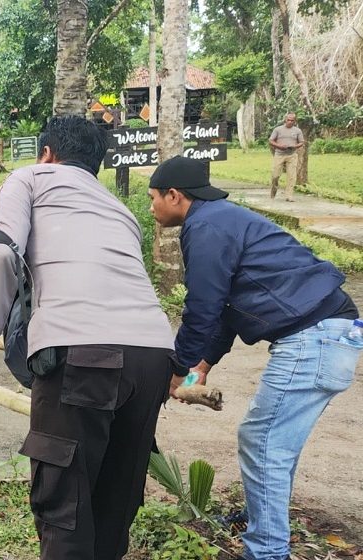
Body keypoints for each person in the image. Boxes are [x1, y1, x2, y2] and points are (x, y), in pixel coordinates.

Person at [0, 115, 175, 560]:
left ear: (47, 153)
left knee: (65, 508)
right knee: (117, 499)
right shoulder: (120, 209)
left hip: (84, 354)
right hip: (154, 356)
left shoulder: (30, 178)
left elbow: (2, 253)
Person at [148, 156, 360, 560]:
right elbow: (226, 311)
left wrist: (176, 370)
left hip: (312, 337)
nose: (152, 207)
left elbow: (203, 308)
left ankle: (265, 551)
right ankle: (262, 521)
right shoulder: (223, 219)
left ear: (174, 195)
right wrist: (199, 369)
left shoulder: (206, 227)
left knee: (262, 440)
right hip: (333, 333)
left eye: (153, 198)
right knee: (277, 444)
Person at [268, 112, 304, 202]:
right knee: (275, 175)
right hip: (279, 154)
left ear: (295, 121)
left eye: (292, 120)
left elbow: (301, 142)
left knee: (291, 176)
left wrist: (295, 146)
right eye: (288, 120)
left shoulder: (297, 131)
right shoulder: (278, 129)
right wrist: (279, 146)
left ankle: (289, 195)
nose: (290, 122)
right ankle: (273, 191)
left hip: (292, 155)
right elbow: (271, 140)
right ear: (285, 120)